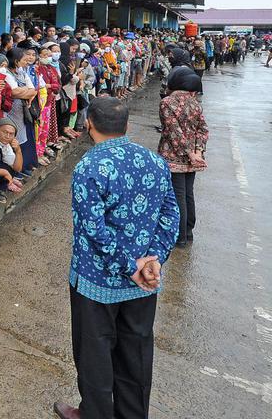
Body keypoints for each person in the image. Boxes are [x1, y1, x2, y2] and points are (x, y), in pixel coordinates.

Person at [53, 97, 179, 419]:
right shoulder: (154, 161)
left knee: (94, 355)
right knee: (136, 353)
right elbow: (170, 214)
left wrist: (128, 267)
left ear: (88, 124)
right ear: (127, 126)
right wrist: (154, 261)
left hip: (97, 283)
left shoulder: (88, 167)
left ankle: (94, 414)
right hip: (143, 283)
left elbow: (92, 229)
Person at [158, 68, 207, 248]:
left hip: (174, 156)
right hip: (193, 158)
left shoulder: (167, 102)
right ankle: (188, 231)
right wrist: (198, 152)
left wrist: (190, 153)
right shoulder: (195, 103)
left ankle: (180, 236)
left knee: (177, 195)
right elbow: (203, 130)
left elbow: (173, 132)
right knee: (188, 193)